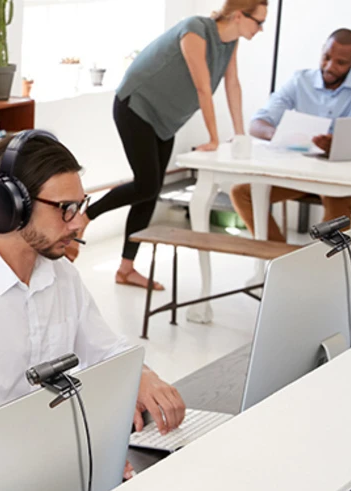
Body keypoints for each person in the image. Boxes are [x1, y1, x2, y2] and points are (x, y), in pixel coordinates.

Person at [0, 132, 187, 482]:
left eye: (80, 206)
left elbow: (105, 351)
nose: (79, 222)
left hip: (53, 464)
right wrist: (41, 463)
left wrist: (142, 377)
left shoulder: (60, 275)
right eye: (65, 209)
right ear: (9, 206)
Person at [70, 0, 268, 289]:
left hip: (165, 119)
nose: (261, 29)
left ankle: (125, 269)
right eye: (259, 22)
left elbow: (232, 84)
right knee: (147, 185)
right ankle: (86, 216)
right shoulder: (195, 30)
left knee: (149, 191)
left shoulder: (230, 43)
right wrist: (214, 139)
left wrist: (240, 136)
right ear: (239, 15)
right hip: (136, 106)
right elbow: (203, 88)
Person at [231, 29, 351, 241]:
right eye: (326, 57)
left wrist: (338, 144)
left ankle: (328, 262)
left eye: (341, 62)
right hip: (302, 172)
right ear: (322, 50)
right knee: (242, 193)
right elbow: (258, 124)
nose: (330, 66)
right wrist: (281, 135)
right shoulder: (300, 80)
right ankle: (280, 256)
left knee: (336, 199)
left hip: (344, 176)